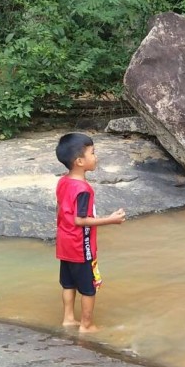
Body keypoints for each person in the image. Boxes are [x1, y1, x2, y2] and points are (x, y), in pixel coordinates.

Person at [55, 132, 125, 332]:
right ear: (79, 161)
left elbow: (60, 209)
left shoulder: (63, 182)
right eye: (93, 153)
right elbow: (80, 219)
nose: (96, 157)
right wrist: (111, 219)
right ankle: (87, 325)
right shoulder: (83, 189)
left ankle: (68, 318)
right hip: (80, 245)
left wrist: (61, 231)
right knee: (89, 287)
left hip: (65, 242)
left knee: (68, 283)